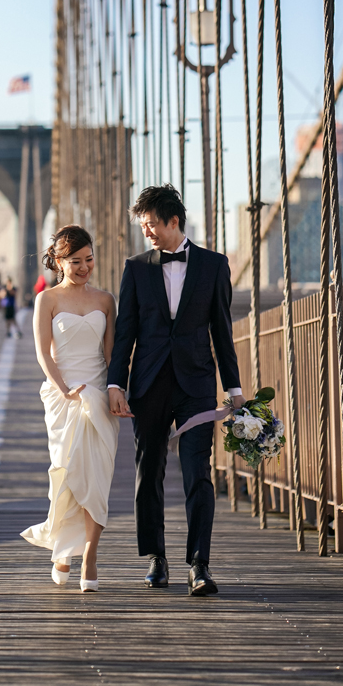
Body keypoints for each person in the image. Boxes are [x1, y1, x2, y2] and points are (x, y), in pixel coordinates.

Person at [107, 184, 244, 597]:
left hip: (197, 384)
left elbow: (222, 330)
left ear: (173, 221)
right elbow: (125, 333)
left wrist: (234, 389)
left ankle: (199, 565)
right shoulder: (136, 268)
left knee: (198, 474)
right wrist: (116, 382)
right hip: (148, 385)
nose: (146, 232)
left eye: (151, 225)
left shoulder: (214, 265)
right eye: (142, 226)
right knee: (148, 471)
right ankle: (156, 558)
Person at [21, 225, 119, 592]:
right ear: (59, 262)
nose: (84, 267)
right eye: (76, 261)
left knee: (98, 479)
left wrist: (117, 391)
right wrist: (64, 389)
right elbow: (44, 354)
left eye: (89, 259)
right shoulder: (46, 300)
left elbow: (111, 354)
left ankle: (90, 554)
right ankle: (63, 547)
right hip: (63, 398)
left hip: (99, 398)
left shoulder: (106, 300)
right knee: (67, 479)